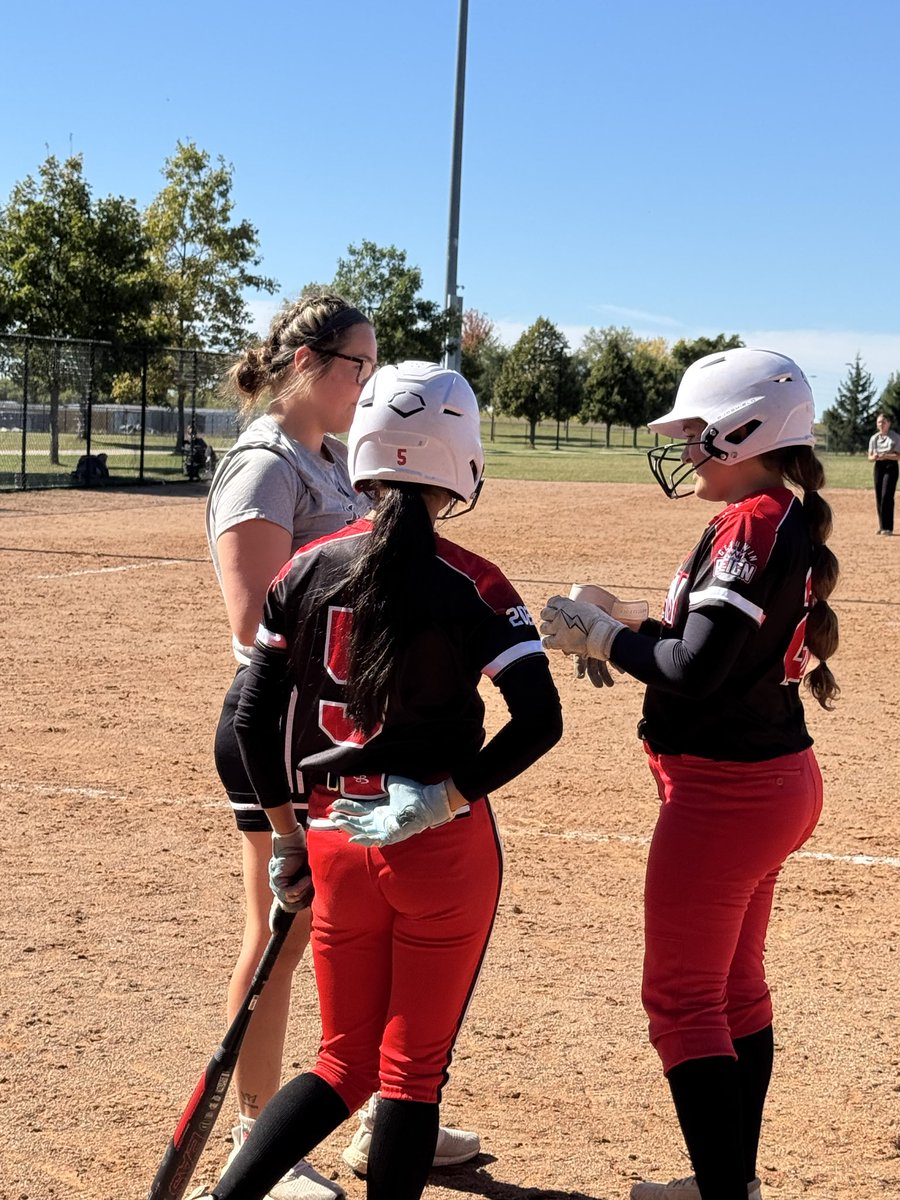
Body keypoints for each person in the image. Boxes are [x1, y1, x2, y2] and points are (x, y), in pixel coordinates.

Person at [202, 361, 563, 1200]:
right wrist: (446, 796)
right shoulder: (473, 579)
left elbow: (253, 719)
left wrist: (289, 839)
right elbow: (540, 721)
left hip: (333, 839)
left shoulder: (305, 568)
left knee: (341, 1060)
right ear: (461, 460)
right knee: (408, 1074)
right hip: (436, 844)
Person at [540, 348, 839, 1200]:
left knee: (680, 1001)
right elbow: (698, 637)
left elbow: (694, 668)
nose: (684, 448)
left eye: (696, 433)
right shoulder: (769, 515)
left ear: (743, 432)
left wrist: (606, 641)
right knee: (732, 989)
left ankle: (722, 1192)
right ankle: (729, 1181)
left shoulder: (751, 520)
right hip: (767, 780)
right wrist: (621, 615)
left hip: (729, 793)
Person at [867, 411, 900, 534]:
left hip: (891, 466)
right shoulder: (874, 438)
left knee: (887, 495)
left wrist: (886, 455)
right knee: (879, 496)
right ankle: (882, 526)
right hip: (879, 467)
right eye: (879, 422)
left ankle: (888, 527)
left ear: (889, 423)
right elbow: (869, 457)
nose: (881, 424)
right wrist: (874, 457)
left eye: (884, 422)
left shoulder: (895, 437)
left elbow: (898, 456)